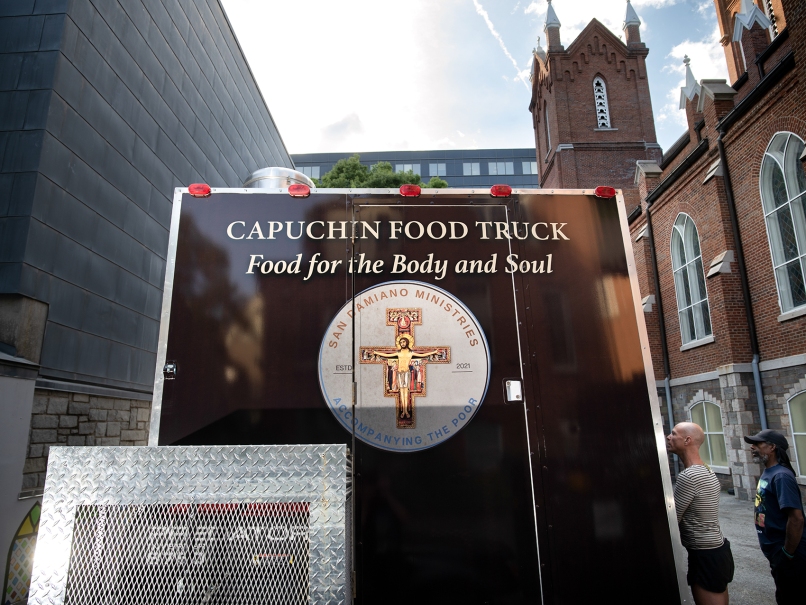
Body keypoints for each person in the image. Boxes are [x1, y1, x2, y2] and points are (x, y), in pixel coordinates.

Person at [667, 422, 734, 605]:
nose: (668, 437)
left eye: (673, 434)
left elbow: (671, 520)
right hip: (715, 552)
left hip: (706, 555)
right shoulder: (705, 469)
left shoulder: (689, 476)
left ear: (687, 440)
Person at [744, 429, 806, 605]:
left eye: (757, 444)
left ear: (772, 447)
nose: (752, 447)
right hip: (776, 553)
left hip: (789, 555)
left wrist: (786, 553)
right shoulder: (769, 472)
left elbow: (796, 519)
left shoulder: (781, 476)